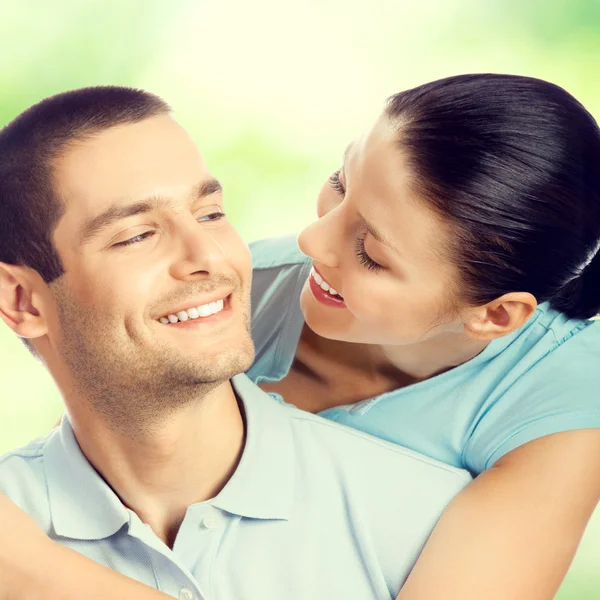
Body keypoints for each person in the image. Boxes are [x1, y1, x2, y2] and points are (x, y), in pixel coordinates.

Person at [2, 72, 600, 600]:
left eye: (370, 254)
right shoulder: (233, 287)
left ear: (493, 316)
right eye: (340, 184)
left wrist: (33, 572)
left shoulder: (554, 408)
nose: (311, 240)